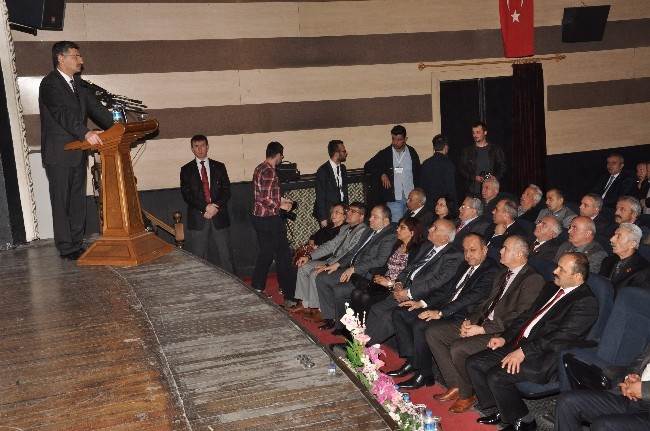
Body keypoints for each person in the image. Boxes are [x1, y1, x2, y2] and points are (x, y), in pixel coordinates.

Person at [467, 252, 598, 431]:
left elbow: (560, 338)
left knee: (497, 376)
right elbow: (526, 316)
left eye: (561, 269)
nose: (555, 271)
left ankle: (524, 420)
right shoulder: (551, 287)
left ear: (577, 277)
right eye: (557, 266)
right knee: (474, 363)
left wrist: (523, 352)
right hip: (521, 343)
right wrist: (505, 337)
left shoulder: (586, 302)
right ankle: (500, 409)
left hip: (544, 355)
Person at [425, 236, 545, 413]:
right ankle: (456, 384)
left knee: (459, 348)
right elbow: (485, 304)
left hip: (501, 333)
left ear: (519, 254)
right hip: (482, 323)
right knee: (434, 333)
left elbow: (519, 317)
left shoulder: (533, 279)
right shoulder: (503, 273)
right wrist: (469, 322)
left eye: (505, 248)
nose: (500, 251)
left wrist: (482, 329)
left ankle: (467, 394)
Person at [388, 234, 498, 390]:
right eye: (465, 250)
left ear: (485, 250)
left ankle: (424, 374)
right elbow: (446, 290)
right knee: (401, 312)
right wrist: (421, 303)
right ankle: (413, 361)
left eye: (473, 250)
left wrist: (439, 313)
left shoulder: (491, 270)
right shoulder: (465, 264)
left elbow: (469, 299)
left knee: (420, 325)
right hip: (445, 306)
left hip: (462, 314)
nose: (468, 255)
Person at [39, 41, 113, 260]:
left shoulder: (79, 84)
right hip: (59, 153)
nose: (81, 60)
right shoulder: (50, 84)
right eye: (76, 56)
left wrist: (118, 127)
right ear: (61, 58)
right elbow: (62, 114)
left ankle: (77, 242)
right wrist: (86, 133)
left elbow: (96, 109)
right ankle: (66, 247)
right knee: (61, 201)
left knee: (77, 200)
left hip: (78, 152)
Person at [363, 218, 464, 345]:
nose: (429, 229)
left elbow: (436, 282)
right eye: (432, 226)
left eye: (435, 228)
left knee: (387, 317)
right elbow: (408, 268)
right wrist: (398, 284)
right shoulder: (427, 246)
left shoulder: (454, 256)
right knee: (376, 309)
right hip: (404, 288)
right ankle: (362, 343)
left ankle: (363, 348)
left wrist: (409, 293)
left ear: (445, 238)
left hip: (422, 297)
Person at [315, 205, 396, 331]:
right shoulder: (369, 231)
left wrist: (354, 269)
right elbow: (353, 251)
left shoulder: (389, 236)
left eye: (375, 217)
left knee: (339, 289)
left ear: (385, 221)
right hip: (351, 269)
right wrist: (337, 264)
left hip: (365, 275)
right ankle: (330, 317)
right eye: (371, 216)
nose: (370, 219)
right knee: (322, 278)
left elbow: (380, 261)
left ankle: (342, 326)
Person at [293, 203, 368, 320]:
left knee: (315, 273)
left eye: (353, 211)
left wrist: (328, 265)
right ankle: (305, 304)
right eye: (349, 210)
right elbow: (330, 246)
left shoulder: (362, 231)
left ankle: (319, 309)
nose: (349, 213)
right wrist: (309, 256)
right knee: (304, 266)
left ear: (361, 216)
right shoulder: (345, 228)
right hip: (331, 261)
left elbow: (349, 253)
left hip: (343, 265)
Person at [554, 343, 650, 431]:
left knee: (603, 426)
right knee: (566, 402)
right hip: (633, 398)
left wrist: (644, 389)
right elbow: (639, 361)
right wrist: (629, 379)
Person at [349, 216, 425, 319]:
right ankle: (355, 325)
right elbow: (385, 265)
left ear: (412, 232)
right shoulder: (397, 245)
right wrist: (378, 276)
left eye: (402, 228)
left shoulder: (417, 251)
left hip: (396, 287)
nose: (397, 230)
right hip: (382, 283)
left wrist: (390, 283)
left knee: (365, 297)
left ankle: (362, 326)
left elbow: (410, 276)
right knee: (356, 293)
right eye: (398, 227)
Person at [179, 135, 234, 272]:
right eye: (196, 146)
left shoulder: (219, 167)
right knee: (198, 259)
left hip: (219, 216)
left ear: (207, 147)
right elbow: (187, 195)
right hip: (198, 218)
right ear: (192, 149)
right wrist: (205, 207)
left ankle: (231, 284)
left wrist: (215, 206)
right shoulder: (186, 170)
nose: (200, 149)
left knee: (226, 256)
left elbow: (226, 191)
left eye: (202, 145)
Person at [250, 141, 297, 303]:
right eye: (281, 156)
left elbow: (264, 195)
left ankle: (257, 287)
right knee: (283, 255)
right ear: (277, 155)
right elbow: (264, 198)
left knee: (266, 253)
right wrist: (281, 205)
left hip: (259, 218)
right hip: (269, 219)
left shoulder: (259, 168)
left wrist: (281, 200)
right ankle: (289, 294)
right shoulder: (270, 171)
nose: (282, 158)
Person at [364, 125, 421, 222]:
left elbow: (418, 173)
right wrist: (382, 174)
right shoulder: (385, 153)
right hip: (394, 199)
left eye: (399, 139)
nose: (395, 142)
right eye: (393, 139)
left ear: (405, 139)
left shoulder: (412, 152)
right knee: (395, 225)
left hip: (411, 198)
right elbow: (367, 166)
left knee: (410, 225)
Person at [459, 121, 507, 196]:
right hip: (472, 192)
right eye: (473, 133)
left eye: (478, 132)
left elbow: (503, 167)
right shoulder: (467, 151)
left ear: (485, 132)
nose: (475, 135)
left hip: (491, 192)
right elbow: (462, 169)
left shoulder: (495, 150)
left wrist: (495, 177)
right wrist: (474, 177)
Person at [600, 223, 650, 292]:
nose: (611, 239)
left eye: (618, 236)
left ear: (632, 244)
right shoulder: (608, 260)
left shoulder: (643, 270)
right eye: (614, 235)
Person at [313, 140, 349, 227]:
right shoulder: (323, 171)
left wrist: (346, 211)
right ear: (336, 153)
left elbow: (344, 192)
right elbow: (320, 196)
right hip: (328, 213)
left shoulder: (343, 168)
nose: (346, 153)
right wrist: (323, 218)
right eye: (344, 151)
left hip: (341, 212)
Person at [420, 134, 457, 210]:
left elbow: (421, 186)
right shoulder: (448, 164)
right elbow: (451, 188)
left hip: (427, 205)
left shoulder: (425, 163)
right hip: (442, 206)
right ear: (446, 147)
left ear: (434, 147)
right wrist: (454, 207)